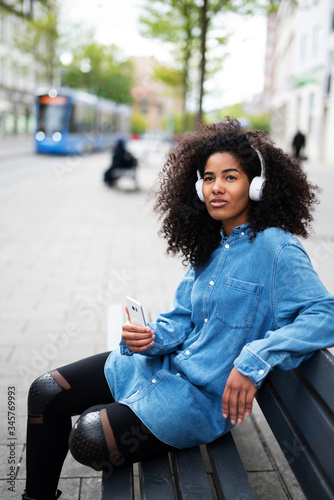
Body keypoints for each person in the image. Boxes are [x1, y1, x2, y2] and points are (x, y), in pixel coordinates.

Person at [23, 119, 334, 500]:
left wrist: (256, 358)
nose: (216, 187)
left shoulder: (277, 249)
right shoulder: (212, 244)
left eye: (230, 177)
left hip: (195, 402)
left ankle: (121, 415)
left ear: (257, 186)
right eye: (208, 178)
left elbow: (325, 314)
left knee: (88, 438)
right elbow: (183, 317)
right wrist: (152, 337)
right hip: (160, 366)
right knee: (44, 392)